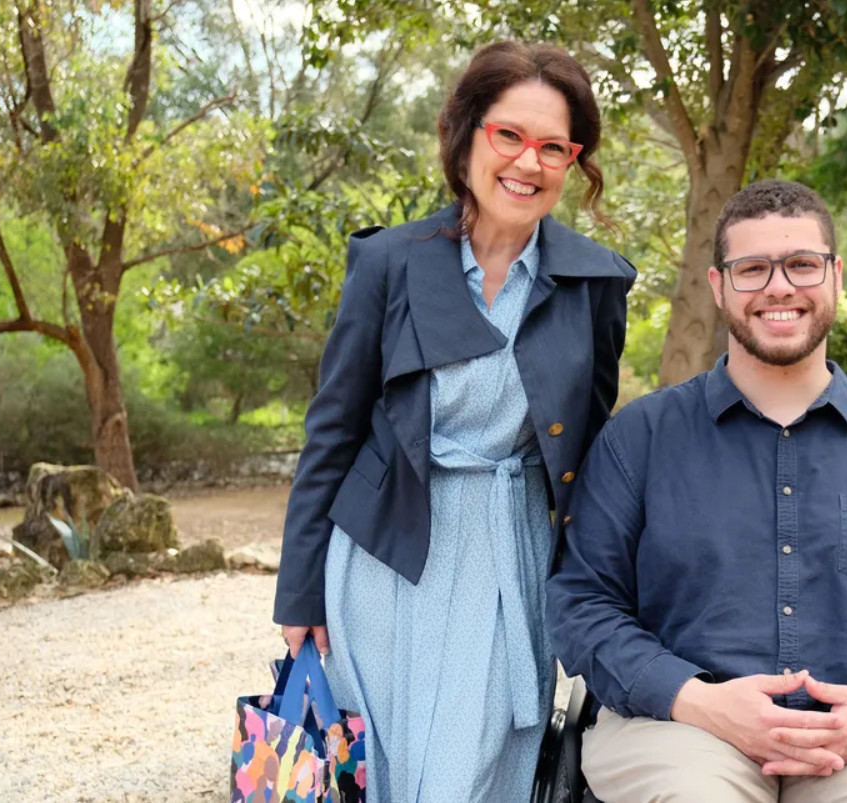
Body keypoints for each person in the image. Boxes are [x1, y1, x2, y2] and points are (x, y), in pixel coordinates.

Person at [546, 179, 847, 802]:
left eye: (801, 265)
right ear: (718, 286)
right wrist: (695, 700)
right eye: (752, 268)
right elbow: (583, 606)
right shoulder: (639, 441)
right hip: (678, 730)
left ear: (835, 277)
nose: (779, 287)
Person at [272, 41, 635, 802]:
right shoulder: (389, 263)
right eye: (508, 135)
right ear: (466, 133)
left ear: (574, 161)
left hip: (508, 550)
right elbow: (332, 431)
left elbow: (592, 451)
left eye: (553, 147)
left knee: (475, 766)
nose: (527, 163)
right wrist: (299, 593)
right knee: (379, 769)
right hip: (384, 554)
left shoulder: (594, 281)